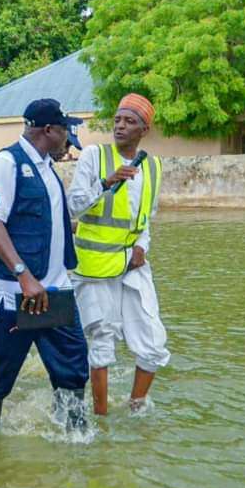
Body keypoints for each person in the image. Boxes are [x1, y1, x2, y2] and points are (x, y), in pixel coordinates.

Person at [0, 99, 89, 429]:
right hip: (15, 293)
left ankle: (75, 441)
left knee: (73, 365)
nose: (68, 138)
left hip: (55, 289)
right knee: (2, 373)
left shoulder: (47, 168)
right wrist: (24, 276)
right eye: (65, 130)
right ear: (49, 130)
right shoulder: (8, 163)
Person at [67, 93, 169, 416]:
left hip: (132, 265)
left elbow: (145, 220)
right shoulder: (94, 157)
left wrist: (142, 246)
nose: (120, 126)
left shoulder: (152, 166)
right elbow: (73, 206)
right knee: (101, 342)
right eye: (117, 120)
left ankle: (136, 408)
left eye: (129, 121)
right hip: (95, 267)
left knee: (153, 345)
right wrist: (105, 183)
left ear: (144, 129)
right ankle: (101, 419)